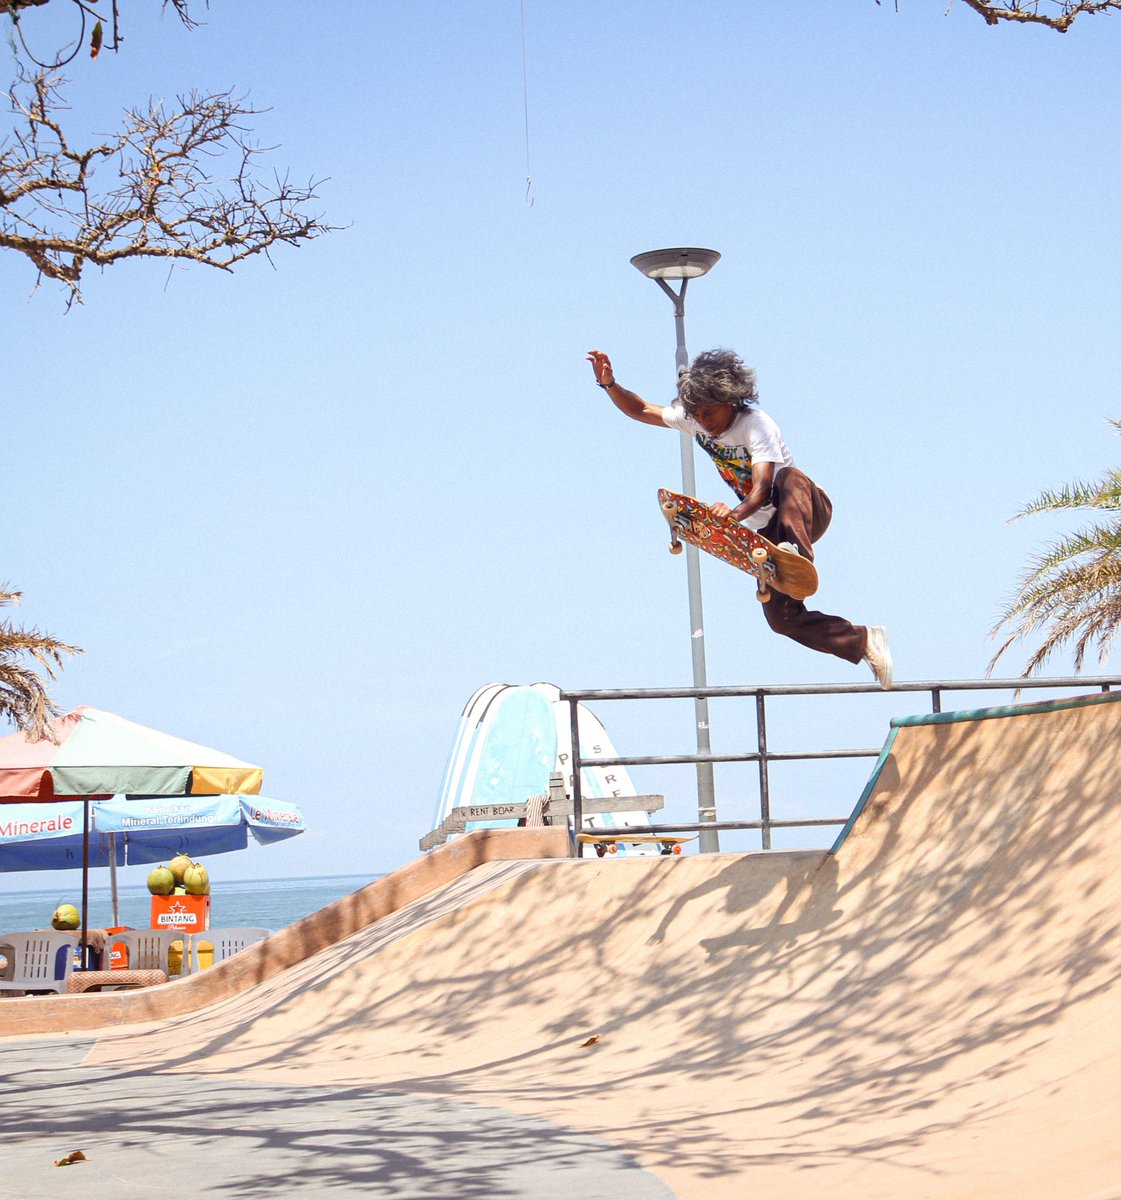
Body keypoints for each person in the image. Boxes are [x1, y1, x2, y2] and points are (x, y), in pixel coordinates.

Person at [586, 347, 893, 688]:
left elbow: (762, 489)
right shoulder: (695, 419)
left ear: (729, 400)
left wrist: (731, 516)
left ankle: (797, 554)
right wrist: (610, 384)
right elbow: (642, 409)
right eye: (696, 415)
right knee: (781, 619)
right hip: (766, 533)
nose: (704, 422)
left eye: (709, 413)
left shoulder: (756, 425)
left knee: (788, 478)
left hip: (807, 509)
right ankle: (862, 641)